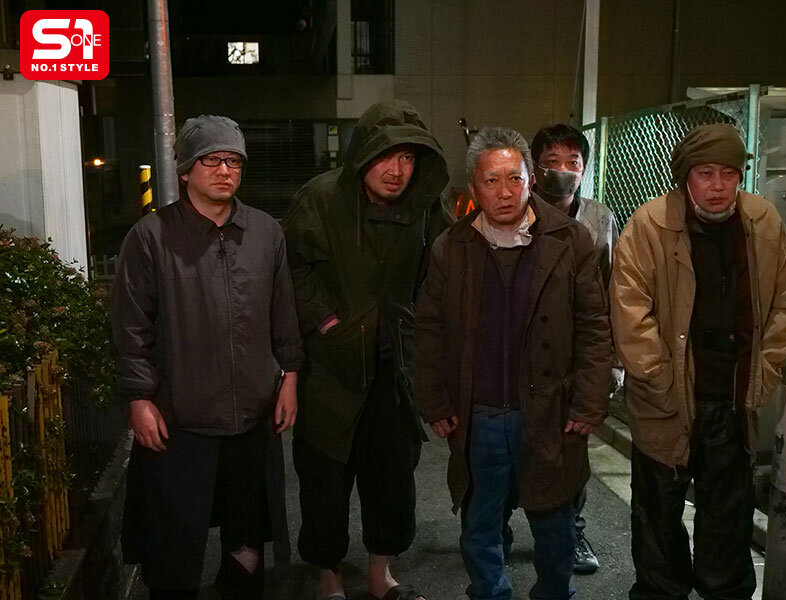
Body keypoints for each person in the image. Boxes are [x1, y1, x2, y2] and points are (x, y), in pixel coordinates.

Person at [413, 126, 612, 600]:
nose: (504, 191)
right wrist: (435, 400)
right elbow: (428, 330)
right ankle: (489, 593)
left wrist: (588, 402)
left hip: (549, 411)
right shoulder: (451, 247)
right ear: (473, 186)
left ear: (531, 180)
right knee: (480, 522)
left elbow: (594, 326)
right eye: (491, 180)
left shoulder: (571, 239)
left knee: (554, 523)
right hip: (479, 412)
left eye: (514, 178)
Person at [113, 115, 304, 600]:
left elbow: (283, 315)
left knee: (248, 539)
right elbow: (131, 327)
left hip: (251, 418)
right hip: (180, 418)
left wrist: (289, 377)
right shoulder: (152, 236)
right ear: (185, 170)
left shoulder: (265, 232)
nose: (225, 170)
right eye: (212, 160)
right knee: (173, 549)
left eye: (234, 161)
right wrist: (139, 398)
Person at [611, 123, 786, 600]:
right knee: (657, 518)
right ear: (685, 177)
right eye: (705, 173)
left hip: (733, 399)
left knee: (728, 520)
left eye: (728, 174)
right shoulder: (649, 225)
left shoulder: (763, 222)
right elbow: (630, 310)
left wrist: (765, 373)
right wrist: (659, 379)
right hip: (666, 401)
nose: (718, 186)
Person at [282, 100, 449, 600]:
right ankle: (328, 573)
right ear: (362, 155)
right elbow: (292, 267)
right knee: (324, 478)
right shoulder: (320, 198)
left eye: (408, 158)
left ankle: (381, 573)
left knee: (392, 478)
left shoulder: (424, 208)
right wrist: (326, 319)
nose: (397, 170)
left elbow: (442, 272)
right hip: (329, 369)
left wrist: (418, 326)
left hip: (394, 369)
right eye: (385, 156)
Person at [500, 123, 620, 573]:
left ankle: (573, 530)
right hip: (519, 352)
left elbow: (610, 292)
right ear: (534, 169)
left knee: (570, 450)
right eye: (551, 162)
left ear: (585, 169)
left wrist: (610, 364)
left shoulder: (598, 219)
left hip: (572, 356)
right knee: (507, 443)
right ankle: (498, 526)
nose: (562, 170)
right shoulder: (515, 210)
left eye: (573, 162)